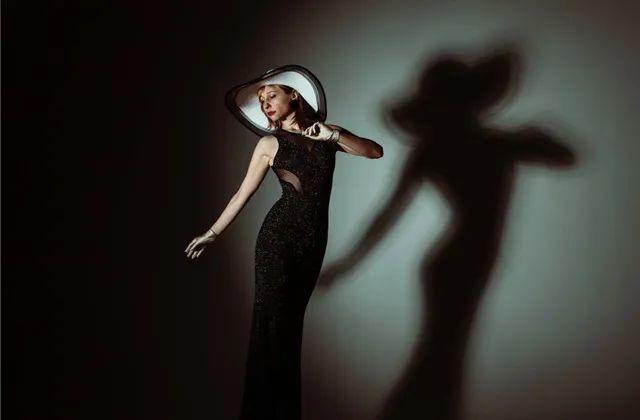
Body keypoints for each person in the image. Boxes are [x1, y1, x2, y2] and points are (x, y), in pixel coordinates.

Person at [184, 65, 383, 419]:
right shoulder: (268, 144)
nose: (265, 104)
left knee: (290, 330)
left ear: (294, 95)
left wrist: (332, 135)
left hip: (313, 243)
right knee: (272, 328)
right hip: (278, 239)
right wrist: (212, 232)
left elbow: (374, 152)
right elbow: (241, 194)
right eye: (261, 100)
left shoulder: (327, 134)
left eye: (270, 95)